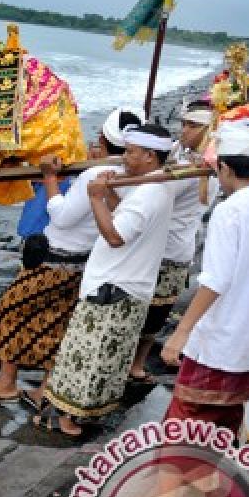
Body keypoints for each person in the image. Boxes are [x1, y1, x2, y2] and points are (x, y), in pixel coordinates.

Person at [0, 109, 141, 408]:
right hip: (82, 261)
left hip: (56, 258)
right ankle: (44, 387)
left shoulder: (96, 173)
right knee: (57, 322)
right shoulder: (133, 175)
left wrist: (51, 179)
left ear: (103, 141)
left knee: (11, 309)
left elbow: (63, 217)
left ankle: (6, 383)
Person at [40, 125, 175, 437]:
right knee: (101, 356)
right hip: (126, 283)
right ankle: (74, 415)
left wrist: (96, 197)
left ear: (150, 156)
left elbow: (115, 235)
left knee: (90, 357)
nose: (124, 158)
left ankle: (71, 418)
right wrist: (110, 194)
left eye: (130, 152)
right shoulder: (154, 186)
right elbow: (122, 216)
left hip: (116, 285)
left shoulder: (149, 193)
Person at [160, 123, 249, 430]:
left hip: (223, 340)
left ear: (225, 168)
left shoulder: (231, 212)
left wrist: (181, 332)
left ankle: (177, 479)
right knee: (224, 425)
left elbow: (216, 280)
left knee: (185, 428)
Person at [128, 104, 213, 382]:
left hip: (168, 247)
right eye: (183, 123)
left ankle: (136, 363)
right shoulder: (194, 161)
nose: (183, 130)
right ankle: (135, 363)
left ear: (205, 131)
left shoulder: (192, 170)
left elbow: (149, 185)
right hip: (174, 245)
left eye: (191, 126)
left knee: (150, 312)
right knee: (152, 310)